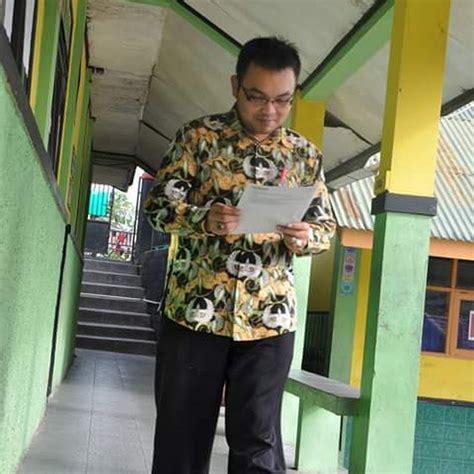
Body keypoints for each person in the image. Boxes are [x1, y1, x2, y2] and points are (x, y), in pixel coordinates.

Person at [144, 36, 336, 474]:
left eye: (282, 100)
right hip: (195, 314)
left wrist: (305, 238)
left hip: (269, 320)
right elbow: (157, 208)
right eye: (257, 97)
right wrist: (202, 218)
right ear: (235, 86)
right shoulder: (198, 138)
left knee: (258, 445)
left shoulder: (305, 155)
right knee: (180, 437)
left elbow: (325, 228)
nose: (269, 111)